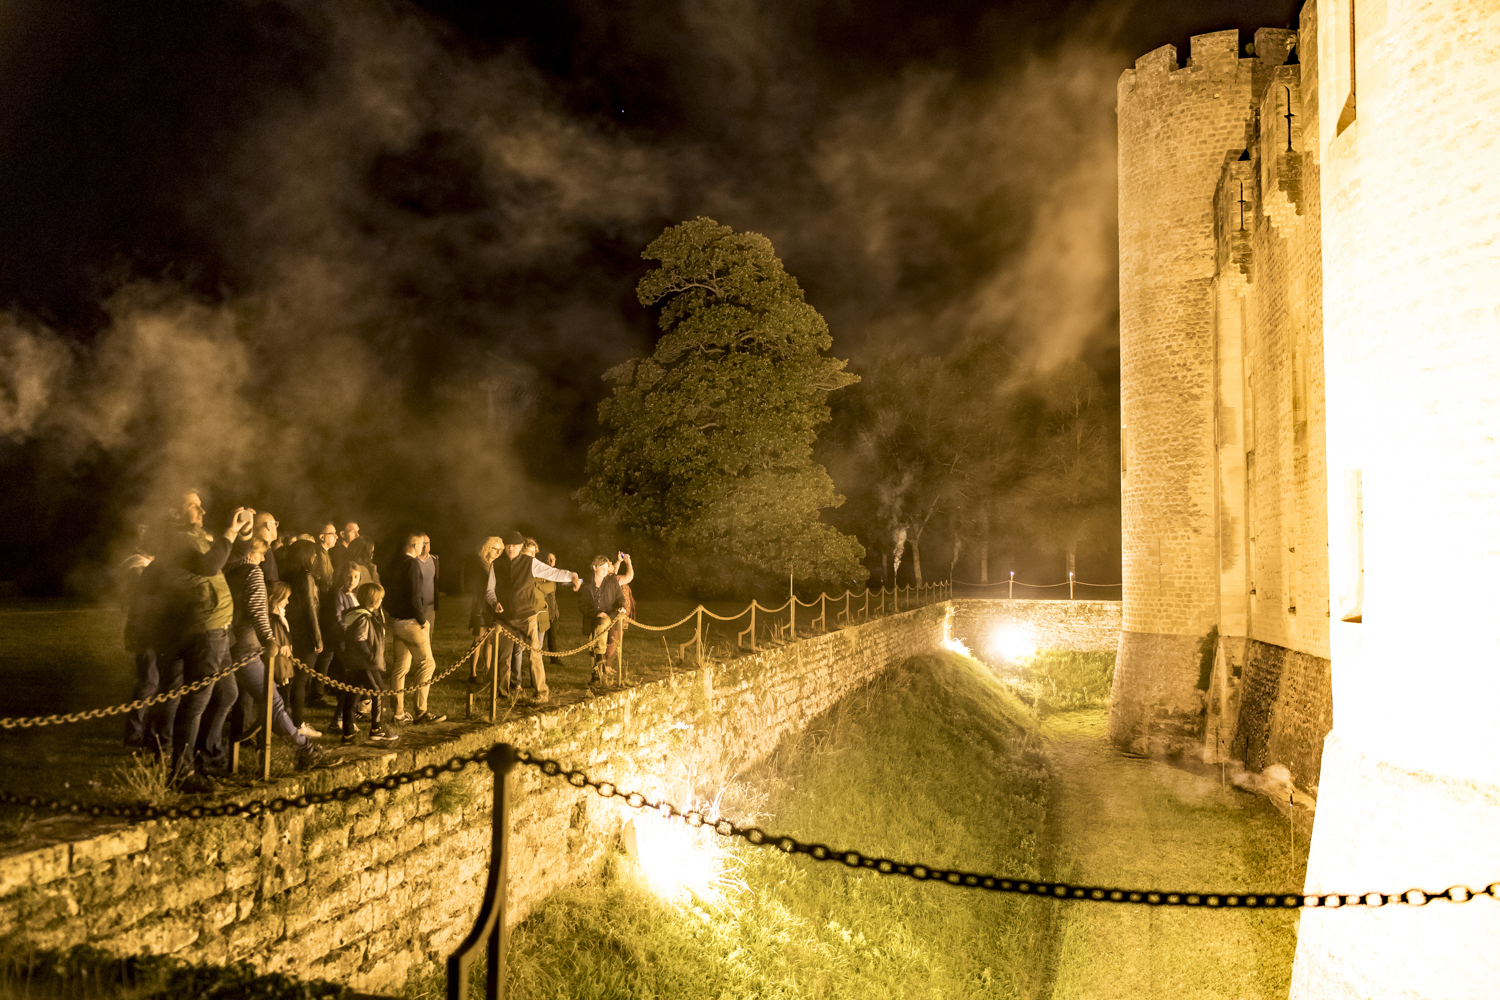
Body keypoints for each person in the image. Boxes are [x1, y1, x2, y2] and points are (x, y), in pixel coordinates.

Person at [158, 490, 253, 791]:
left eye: (201, 505)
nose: (201, 511)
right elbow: (210, 566)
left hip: (219, 629)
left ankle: (206, 758)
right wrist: (230, 531)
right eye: (193, 506)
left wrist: (243, 531)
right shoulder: (178, 539)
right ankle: (181, 773)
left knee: (227, 694)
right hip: (204, 629)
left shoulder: (197, 536)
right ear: (175, 513)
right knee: (196, 702)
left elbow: (228, 556)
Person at [222, 538, 325, 770]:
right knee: (272, 700)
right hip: (246, 645)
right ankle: (304, 749)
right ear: (252, 553)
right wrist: (270, 641)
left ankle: (218, 751)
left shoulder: (227, 569)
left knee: (225, 700)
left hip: (226, 642)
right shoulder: (252, 571)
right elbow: (259, 612)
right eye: (261, 555)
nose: (263, 560)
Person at [490, 531, 580, 703]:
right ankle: (501, 694)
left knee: (534, 654)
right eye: (508, 545)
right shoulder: (496, 564)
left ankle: (542, 691)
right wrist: (494, 602)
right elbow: (490, 590)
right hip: (505, 617)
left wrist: (572, 575)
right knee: (504, 656)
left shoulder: (529, 563)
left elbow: (551, 573)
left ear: (520, 546)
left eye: (514, 546)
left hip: (527, 615)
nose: (511, 549)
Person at [383, 532, 444, 725]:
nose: (423, 547)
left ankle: (399, 713)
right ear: (415, 546)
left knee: (400, 667)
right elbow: (415, 595)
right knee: (427, 664)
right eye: (421, 545)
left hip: (395, 621)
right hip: (410, 622)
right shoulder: (412, 564)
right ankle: (421, 711)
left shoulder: (394, 563)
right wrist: (422, 620)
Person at [340, 581, 398, 746]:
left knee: (352, 697)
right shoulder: (364, 617)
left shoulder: (357, 614)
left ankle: (348, 733)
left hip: (352, 663)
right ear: (372, 599)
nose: (381, 601)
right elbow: (360, 639)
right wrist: (370, 656)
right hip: (363, 663)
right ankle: (376, 729)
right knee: (379, 691)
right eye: (379, 598)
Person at [280, 538, 324, 737]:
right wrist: (317, 637)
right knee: (300, 681)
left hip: (288, 632)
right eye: (313, 553)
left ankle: (284, 721)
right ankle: (298, 724)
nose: (315, 557)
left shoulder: (286, 574)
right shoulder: (306, 577)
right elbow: (310, 608)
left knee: (287, 680)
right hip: (304, 634)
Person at [577, 554, 627, 687]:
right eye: (601, 567)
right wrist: (597, 613)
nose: (605, 570)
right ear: (594, 567)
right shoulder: (586, 583)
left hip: (608, 616)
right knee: (594, 636)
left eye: (606, 567)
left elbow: (619, 599)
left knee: (602, 626)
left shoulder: (611, 581)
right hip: (592, 617)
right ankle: (597, 671)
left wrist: (620, 607)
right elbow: (583, 605)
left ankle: (598, 662)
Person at [253, 511, 281, 584]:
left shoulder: (257, 550)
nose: (276, 527)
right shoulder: (263, 552)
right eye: (275, 524)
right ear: (268, 525)